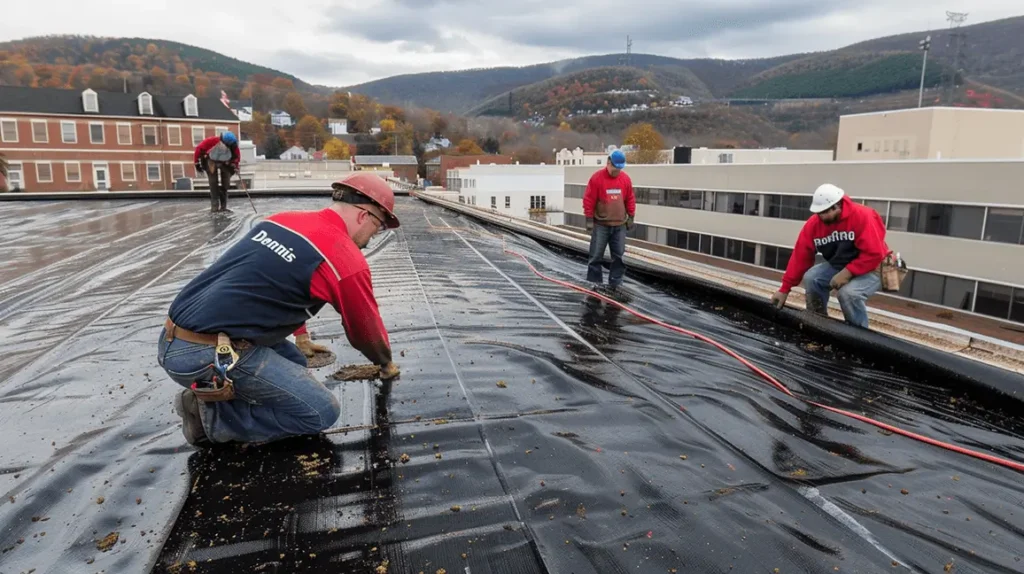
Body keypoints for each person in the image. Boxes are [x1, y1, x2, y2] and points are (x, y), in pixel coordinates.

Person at [158, 172, 402, 446]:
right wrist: (384, 362)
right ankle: (209, 419)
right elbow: (365, 331)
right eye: (379, 226)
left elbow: (274, 282)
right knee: (321, 413)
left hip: (175, 336)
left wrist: (301, 336)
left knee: (295, 362)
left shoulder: (283, 221)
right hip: (204, 353)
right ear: (364, 215)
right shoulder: (343, 256)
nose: (373, 236)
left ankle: (229, 396)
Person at [771, 183, 889, 329]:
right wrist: (784, 289)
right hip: (841, 264)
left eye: (826, 212)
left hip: (876, 266)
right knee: (812, 278)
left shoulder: (863, 216)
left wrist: (848, 272)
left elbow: (875, 253)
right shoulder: (814, 225)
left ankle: (858, 335)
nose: (823, 216)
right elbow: (800, 257)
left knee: (848, 294)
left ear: (837, 205)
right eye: (819, 213)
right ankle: (818, 324)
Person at [582, 149, 636, 292]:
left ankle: (616, 283)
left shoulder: (625, 179)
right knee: (596, 255)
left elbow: (630, 198)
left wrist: (631, 216)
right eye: (615, 168)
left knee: (618, 256)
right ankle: (595, 283)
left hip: (619, 225)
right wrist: (588, 218)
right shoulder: (597, 178)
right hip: (601, 225)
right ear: (608, 163)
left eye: (619, 168)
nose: (617, 171)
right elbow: (589, 199)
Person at [194, 132, 241, 212]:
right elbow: (199, 149)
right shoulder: (212, 141)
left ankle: (223, 207)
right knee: (213, 183)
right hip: (210, 160)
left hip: (225, 162)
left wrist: (235, 165)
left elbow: (237, 157)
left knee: (226, 183)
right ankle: (215, 207)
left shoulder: (233, 146)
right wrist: (197, 163)